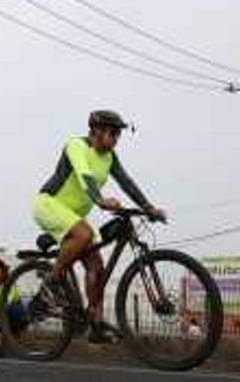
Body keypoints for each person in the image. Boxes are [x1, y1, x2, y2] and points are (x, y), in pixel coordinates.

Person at [33, 110, 166, 343]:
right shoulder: (76, 146)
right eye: (113, 133)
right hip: (48, 204)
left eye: (119, 134)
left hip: (72, 216)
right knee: (85, 234)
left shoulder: (110, 158)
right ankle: (50, 285)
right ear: (96, 130)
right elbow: (85, 177)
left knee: (97, 266)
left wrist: (148, 207)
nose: (116, 138)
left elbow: (126, 182)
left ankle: (94, 325)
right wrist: (100, 200)